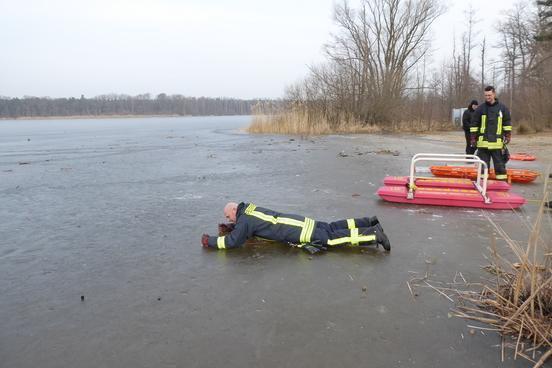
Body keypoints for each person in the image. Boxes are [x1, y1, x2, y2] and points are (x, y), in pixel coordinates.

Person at [201, 202, 390, 253]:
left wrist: (210, 241)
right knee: (332, 227)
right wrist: (234, 226)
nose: (230, 219)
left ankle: (374, 236)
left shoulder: (244, 221)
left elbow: (233, 242)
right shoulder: (250, 210)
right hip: (300, 222)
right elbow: (250, 227)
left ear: (234, 210)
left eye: (229, 216)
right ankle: (369, 221)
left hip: (299, 232)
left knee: (332, 239)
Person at [469, 86, 512, 181]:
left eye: (489, 95)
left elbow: (507, 122)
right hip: (483, 144)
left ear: (494, 94)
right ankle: (482, 187)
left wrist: (508, 134)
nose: (487, 97)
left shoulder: (503, 108)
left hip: (497, 144)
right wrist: (473, 137)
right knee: (483, 168)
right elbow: (474, 124)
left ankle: (502, 187)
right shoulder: (480, 109)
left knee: (500, 168)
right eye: (486, 95)